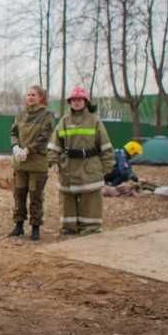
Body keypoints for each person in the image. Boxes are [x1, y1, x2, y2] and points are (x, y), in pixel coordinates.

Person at [47, 87, 115, 235]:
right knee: (67, 199)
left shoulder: (94, 121)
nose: (76, 102)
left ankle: (90, 228)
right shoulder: (64, 121)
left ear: (86, 101)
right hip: (68, 167)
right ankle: (69, 228)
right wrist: (53, 161)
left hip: (89, 166)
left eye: (80, 100)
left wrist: (107, 166)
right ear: (70, 102)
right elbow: (54, 144)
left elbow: (105, 146)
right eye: (74, 100)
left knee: (90, 199)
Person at [9, 85, 55, 241]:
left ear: (41, 97)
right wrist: (15, 147)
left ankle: (35, 228)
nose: (30, 97)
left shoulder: (47, 115)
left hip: (37, 163)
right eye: (28, 94)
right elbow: (13, 132)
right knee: (19, 194)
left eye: (33, 94)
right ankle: (18, 225)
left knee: (35, 196)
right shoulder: (21, 114)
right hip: (20, 163)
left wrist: (28, 149)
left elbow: (44, 136)